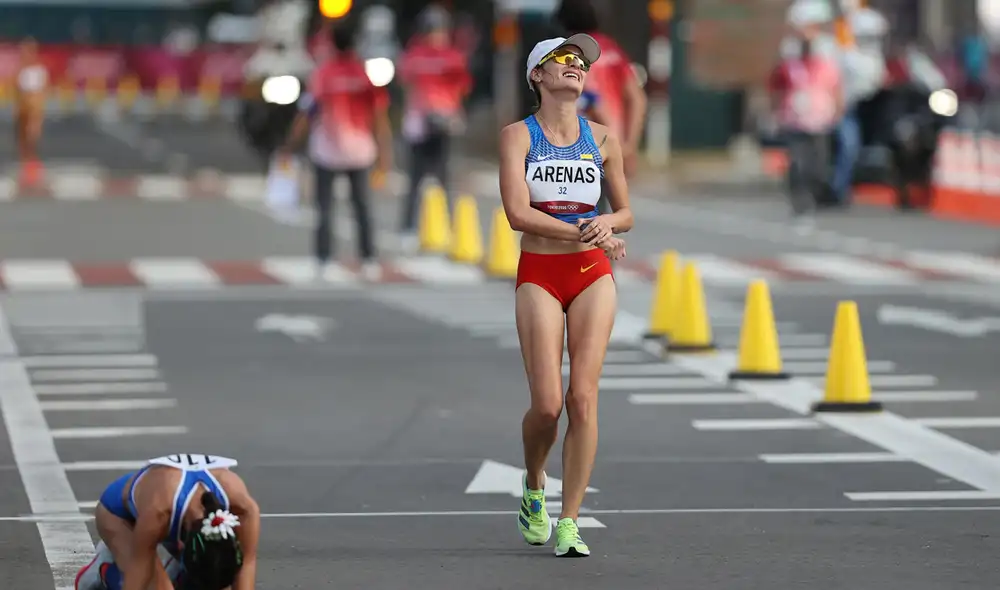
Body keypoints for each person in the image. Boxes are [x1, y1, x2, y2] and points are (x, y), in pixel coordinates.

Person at [499, 33, 632, 557]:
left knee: (583, 396)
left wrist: (605, 223)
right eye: (562, 60)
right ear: (538, 76)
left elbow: (625, 213)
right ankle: (535, 482)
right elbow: (517, 214)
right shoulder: (517, 137)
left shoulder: (603, 138)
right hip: (540, 272)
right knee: (549, 405)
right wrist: (583, 227)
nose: (575, 66)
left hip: (592, 273)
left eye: (580, 61)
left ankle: (571, 520)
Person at [281, 19, 393, 282]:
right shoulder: (364, 75)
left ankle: (323, 260)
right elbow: (380, 118)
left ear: (331, 44)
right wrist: (385, 156)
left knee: (325, 209)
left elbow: (306, 115)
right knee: (362, 209)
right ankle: (368, 259)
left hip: (327, 151)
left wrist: (289, 145)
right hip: (360, 151)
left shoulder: (323, 75)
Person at [75, 454, 260, 590]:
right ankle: (104, 570)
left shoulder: (244, 509)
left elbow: (247, 563)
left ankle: (178, 574)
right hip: (119, 514)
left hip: (172, 513)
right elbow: (139, 572)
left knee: (211, 582)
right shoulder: (158, 512)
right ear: (181, 544)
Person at [396, 5, 472, 253]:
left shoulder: (452, 57)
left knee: (443, 176)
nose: (435, 35)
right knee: (415, 177)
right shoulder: (414, 56)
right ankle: (408, 227)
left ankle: (448, 227)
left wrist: (448, 110)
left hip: (444, 121)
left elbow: (462, 87)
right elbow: (406, 83)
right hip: (419, 121)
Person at [553, 0, 647, 184]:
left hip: (580, 147)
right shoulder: (613, 50)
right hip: (611, 149)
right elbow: (637, 99)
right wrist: (628, 146)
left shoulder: (572, 53)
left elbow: (591, 100)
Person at [769, 13, 843, 227]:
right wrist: (775, 113)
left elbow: (836, 89)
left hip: (820, 122)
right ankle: (799, 198)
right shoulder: (790, 68)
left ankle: (816, 194)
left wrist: (837, 111)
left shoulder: (825, 67)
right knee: (798, 163)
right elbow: (776, 89)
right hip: (795, 121)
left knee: (818, 165)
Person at [15, 38, 48, 187]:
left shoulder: (39, 71)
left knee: (32, 137)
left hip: (34, 108)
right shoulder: (22, 71)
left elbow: (40, 93)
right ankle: (26, 165)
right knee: (22, 138)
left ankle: (33, 165)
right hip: (23, 108)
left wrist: (37, 111)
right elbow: (19, 92)